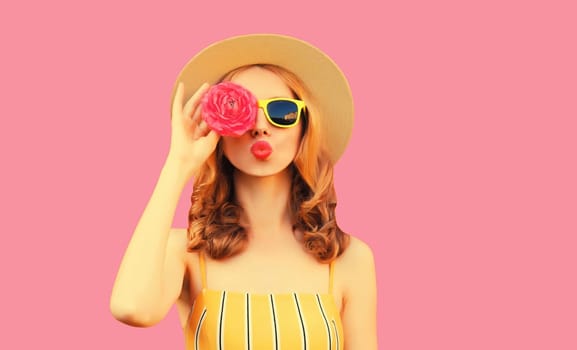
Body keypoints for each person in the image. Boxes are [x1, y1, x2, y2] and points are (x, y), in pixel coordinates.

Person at [110, 34, 377, 350]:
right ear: (219, 129)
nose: (261, 126)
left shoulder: (349, 258)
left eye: (281, 111)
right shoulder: (186, 252)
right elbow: (131, 307)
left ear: (305, 126)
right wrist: (178, 164)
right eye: (243, 110)